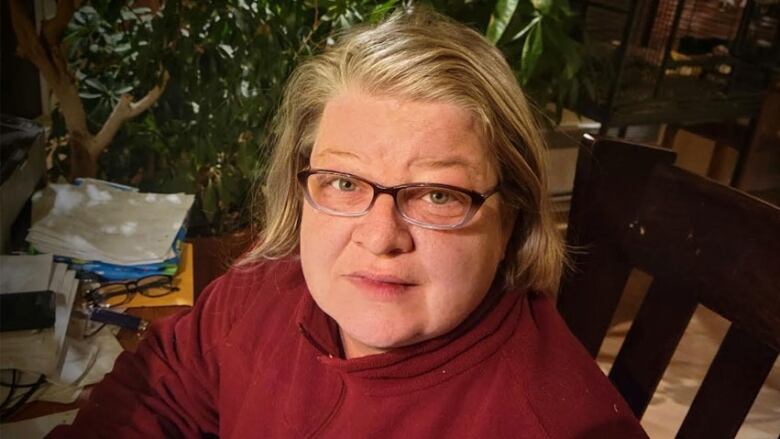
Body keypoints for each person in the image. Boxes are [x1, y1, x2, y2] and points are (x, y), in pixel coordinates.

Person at [52, 7, 647, 438]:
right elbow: (158, 389)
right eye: (344, 182)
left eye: (438, 194)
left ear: (511, 215)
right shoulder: (257, 296)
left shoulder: (561, 424)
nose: (380, 236)